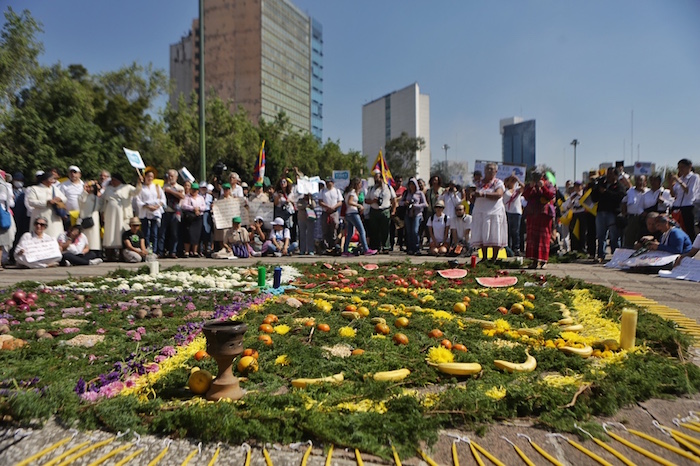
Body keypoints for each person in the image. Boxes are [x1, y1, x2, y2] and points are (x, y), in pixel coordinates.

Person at [101, 173, 142, 262]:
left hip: (122, 214)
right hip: (110, 214)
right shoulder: (108, 189)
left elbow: (136, 192)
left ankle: (121, 254)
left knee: (120, 232)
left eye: (114, 180)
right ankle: (109, 254)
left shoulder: (126, 187)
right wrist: (103, 212)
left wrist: (139, 183)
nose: (113, 182)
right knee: (110, 233)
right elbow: (104, 200)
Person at [471, 163, 508, 261]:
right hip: (480, 212)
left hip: (494, 212)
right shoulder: (478, 183)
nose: (489, 171)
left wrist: (484, 194)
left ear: (496, 171)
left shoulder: (498, 182)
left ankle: (494, 258)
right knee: (483, 234)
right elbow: (472, 195)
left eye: (492, 169)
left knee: (495, 234)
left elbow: (499, 194)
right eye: (488, 169)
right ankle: (484, 258)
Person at [590, 167, 626, 263]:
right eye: (607, 174)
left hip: (613, 213)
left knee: (614, 236)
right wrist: (596, 188)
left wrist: (606, 192)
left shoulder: (619, 186)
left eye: (610, 174)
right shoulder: (602, 185)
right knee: (601, 236)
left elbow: (620, 197)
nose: (608, 176)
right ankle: (601, 255)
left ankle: (616, 256)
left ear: (615, 175)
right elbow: (594, 199)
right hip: (601, 212)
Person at [523, 171, 556, 269]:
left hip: (544, 214)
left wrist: (543, 187)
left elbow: (551, 195)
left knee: (543, 237)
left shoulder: (548, 184)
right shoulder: (530, 185)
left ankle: (543, 261)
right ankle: (534, 261)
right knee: (532, 238)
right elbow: (525, 195)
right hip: (532, 213)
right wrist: (530, 187)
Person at [25, 170, 68, 240]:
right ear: (44, 180)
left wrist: (59, 199)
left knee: (55, 237)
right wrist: (46, 202)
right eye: (51, 179)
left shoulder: (54, 188)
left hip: (54, 218)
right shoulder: (34, 189)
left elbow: (65, 198)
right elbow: (31, 202)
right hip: (40, 216)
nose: (53, 181)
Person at [340, 177, 376, 256]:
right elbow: (350, 202)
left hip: (348, 214)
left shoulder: (348, 192)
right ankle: (366, 249)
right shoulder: (352, 192)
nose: (361, 185)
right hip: (353, 213)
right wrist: (359, 205)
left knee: (350, 233)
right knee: (362, 231)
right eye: (360, 184)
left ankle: (345, 250)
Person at [366, 169, 397, 254]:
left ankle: (386, 247)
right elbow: (366, 200)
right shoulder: (372, 188)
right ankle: (376, 247)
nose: (377, 180)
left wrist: (393, 211)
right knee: (374, 230)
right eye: (375, 178)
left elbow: (394, 200)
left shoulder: (389, 188)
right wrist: (373, 201)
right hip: (374, 211)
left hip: (385, 210)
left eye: (379, 178)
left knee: (385, 230)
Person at [135, 167, 165, 252]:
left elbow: (163, 198)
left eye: (151, 176)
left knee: (154, 233)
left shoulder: (156, 187)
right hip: (145, 211)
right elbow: (138, 200)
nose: (150, 178)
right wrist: (147, 206)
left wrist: (157, 206)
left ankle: (154, 250)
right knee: (145, 233)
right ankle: (146, 249)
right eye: (148, 176)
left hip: (155, 211)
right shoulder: (142, 188)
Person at [159, 169, 185, 258]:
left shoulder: (180, 188)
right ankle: (161, 251)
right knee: (162, 233)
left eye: (172, 176)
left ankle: (173, 251)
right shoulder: (164, 186)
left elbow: (182, 196)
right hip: (165, 211)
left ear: (176, 177)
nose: (170, 178)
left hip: (175, 212)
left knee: (174, 233)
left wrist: (171, 191)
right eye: (169, 176)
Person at [670, 158, 698, 240]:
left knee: (689, 228)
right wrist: (671, 185)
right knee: (677, 228)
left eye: (682, 167)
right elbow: (673, 194)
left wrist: (678, 180)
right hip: (677, 206)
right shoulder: (680, 179)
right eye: (679, 168)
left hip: (688, 206)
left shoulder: (694, 177)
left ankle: (691, 247)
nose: (680, 170)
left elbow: (690, 192)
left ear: (689, 166)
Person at [401, 178, 428, 255]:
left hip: (417, 214)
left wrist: (416, 206)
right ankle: (410, 248)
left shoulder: (420, 193)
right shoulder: (406, 193)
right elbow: (400, 202)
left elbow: (425, 204)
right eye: (410, 184)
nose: (411, 186)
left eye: (413, 184)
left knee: (415, 231)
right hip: (408, 214)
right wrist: (405, 203)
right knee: (409, 232)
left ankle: (416, 248)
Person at [621, 175, 649, 248]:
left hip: (645, 219)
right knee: (629, 239)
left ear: (645, 182)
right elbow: (623, 202)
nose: (639, 182)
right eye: (637, 180)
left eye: (641, 180)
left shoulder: (648, 192)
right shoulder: (630, 191)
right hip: (632, 218)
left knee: (643, 240)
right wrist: (624, 213)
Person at [181, 182, 206, 257]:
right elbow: (184, 206)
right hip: (189, 217)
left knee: (196, 235)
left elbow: (204, 207)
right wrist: (193, 209)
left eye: (196, 190)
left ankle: (195, 251)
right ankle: (187, 251)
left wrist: (198, 209)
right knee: (187, 234)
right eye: (193, 189)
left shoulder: (200, 198)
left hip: (198, 218)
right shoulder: (187, 197)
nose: (194, 191)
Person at [561, 181, 587, 253]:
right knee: (573, 231)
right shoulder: (573, 195)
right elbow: (566, 206)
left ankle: (582, 247)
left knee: (582, 231)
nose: (577, 188)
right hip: (574, 214)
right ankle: (574, 248)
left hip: (582, 213)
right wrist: (571, 200)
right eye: (575, 186)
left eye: (578, 186)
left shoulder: (584, 193)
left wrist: (581, 197)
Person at [78, 181, 102, 257]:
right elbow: (80, 200)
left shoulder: (96, 197)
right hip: (84, 218)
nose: (89, 188)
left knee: (94, 236)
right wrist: (84, 191)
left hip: (93, 218)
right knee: (85, 235)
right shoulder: (83, 196)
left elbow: (99, 206)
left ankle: (94, 250)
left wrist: (98, 191)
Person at [503, 175, 523, 256]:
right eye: (511, 181)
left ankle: (516, 248)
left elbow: (524, 187)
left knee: (515, 231)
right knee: (507, 231)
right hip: (507, 211)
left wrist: (518, 180)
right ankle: (508, 248)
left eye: (513, 181)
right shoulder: (505, 190)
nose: (512, 182)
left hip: (516, 212)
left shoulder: (517, 190)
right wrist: (507, 182)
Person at [0, 171, 16, 270]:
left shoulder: (5, 186)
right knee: (1, 241)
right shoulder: (4, 186)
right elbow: (7, 201)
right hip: (2, 214)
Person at [59, 165, 84, 229]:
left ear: (79, 174)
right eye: (71, 172)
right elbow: (60, 200)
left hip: (81, 214)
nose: (73, 174)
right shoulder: (63, 185)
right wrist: (63, 213)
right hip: (69, 215)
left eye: (75, 172)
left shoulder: (84, 185)